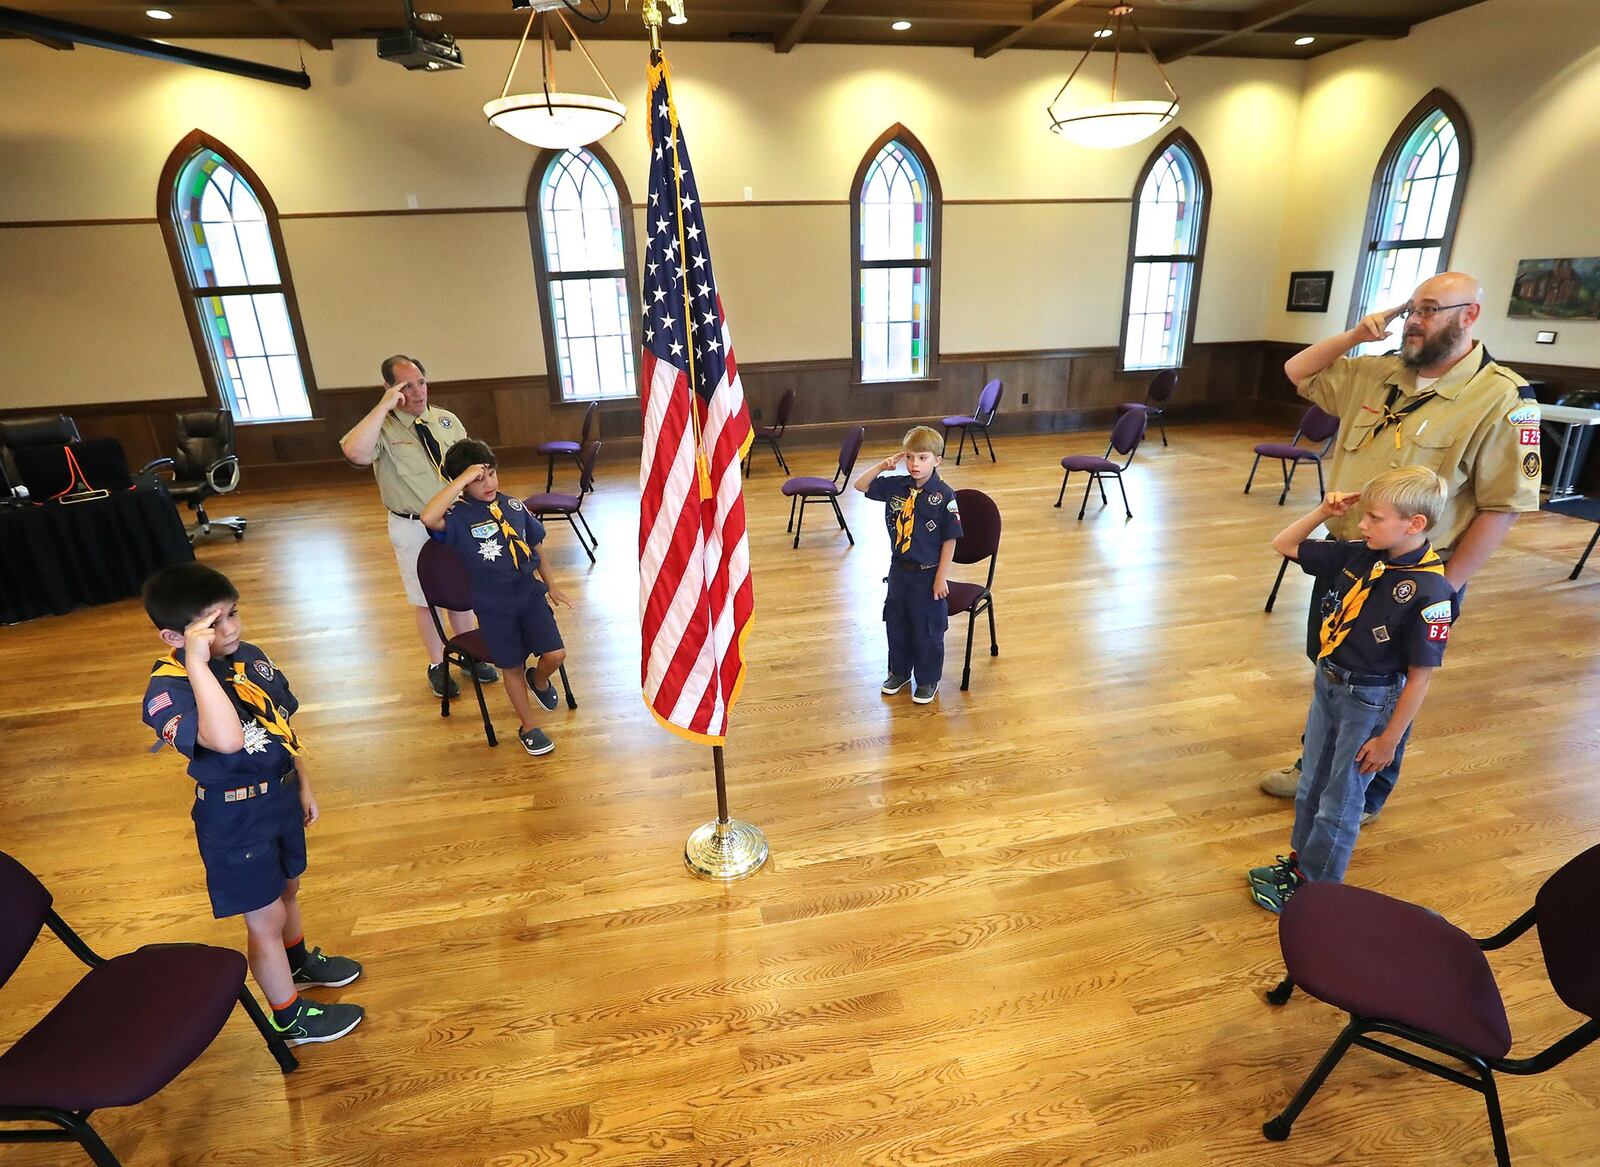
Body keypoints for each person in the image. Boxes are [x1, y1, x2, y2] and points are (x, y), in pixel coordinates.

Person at [1259, 271, 1540, 812]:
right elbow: (1297, 370)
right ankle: (1314, 763)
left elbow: (1503, 506)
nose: (1414, 320)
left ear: (1469, 315)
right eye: (1410, 308)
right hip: (1348, 560)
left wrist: (1445, 588)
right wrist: (1354, 336)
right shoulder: (1380, 372)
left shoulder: (1504, 398)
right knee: (1332, 666)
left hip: (1415, 577)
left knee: (1387, 689)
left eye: (1431, 309)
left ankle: (1366, 791)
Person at [140, 562, 365, 1046]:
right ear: (174, 637)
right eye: (213, 625)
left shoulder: (250, 657)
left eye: (234, 614)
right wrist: (197, 664)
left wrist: (302, 781)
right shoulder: (169, 689)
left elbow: (281, 722)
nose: (232, 629)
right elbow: (224, 739)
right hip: (235, 816)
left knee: (288, 890)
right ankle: (288, 1017)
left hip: (279, 795)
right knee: (264, 919)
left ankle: (298, 960)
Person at [1248, 467, 1455, 913]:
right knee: (1311, 788)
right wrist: (1324, 510)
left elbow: (1420, 675)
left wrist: (1388, 741)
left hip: (1370, 698)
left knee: (1340, 801)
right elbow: (1284, 545)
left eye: (1374, 518)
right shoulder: (1362, 555)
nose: (1362, 525)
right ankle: (1303, 870)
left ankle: (1321, 895)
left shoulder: (1430, 590)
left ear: (1414, 524)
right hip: (1329, 683)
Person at [339, 354, 494, 701]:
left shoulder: (446, 420)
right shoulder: (382, 426)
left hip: (455, 519)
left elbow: (471, 469)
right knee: (426, 600)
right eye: (406, 385)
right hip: (412, 527)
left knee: (462, 591)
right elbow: (354, 453)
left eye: (421, 382)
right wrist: (384, 406)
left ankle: (469, 655)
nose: (417, 391)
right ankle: (437, 664)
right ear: (390, 388)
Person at [421, 439, 572, 757]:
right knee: (512, 666)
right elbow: (428, 517)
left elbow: (536, 544)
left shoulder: (513, 506)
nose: (487, 482)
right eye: (477, 479)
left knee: (555, 654)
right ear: (462, 483)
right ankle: (528, 727)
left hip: (529, 594)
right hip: (493, 604)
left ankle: (540, 680)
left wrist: (552, 585)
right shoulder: (458, 518)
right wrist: (461, 480)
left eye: (490, 473)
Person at [853, 425, 964, 705]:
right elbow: (860, 485)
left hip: (927, 577)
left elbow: (950, 540)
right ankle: (899, 672)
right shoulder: (897, 486)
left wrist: (942, 578)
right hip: (899, 572)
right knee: (897, 624)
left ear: (937, 460)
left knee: (928, 630)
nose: (915, 464)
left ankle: (928, 679)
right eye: (910, 457)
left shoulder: (944, 495)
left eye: (923, 458)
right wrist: (883, 465)